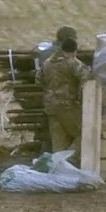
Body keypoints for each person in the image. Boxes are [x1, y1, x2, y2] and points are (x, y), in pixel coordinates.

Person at [39, 29, 89, 158]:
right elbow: (88, 78)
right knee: (85, 134)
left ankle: (60, 170)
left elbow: (38, 79)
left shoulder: (47, 63)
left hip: (51, 107)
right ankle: (70, 160)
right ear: (74, 50)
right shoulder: (72, 62)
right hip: (68, 106)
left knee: (58, 144)